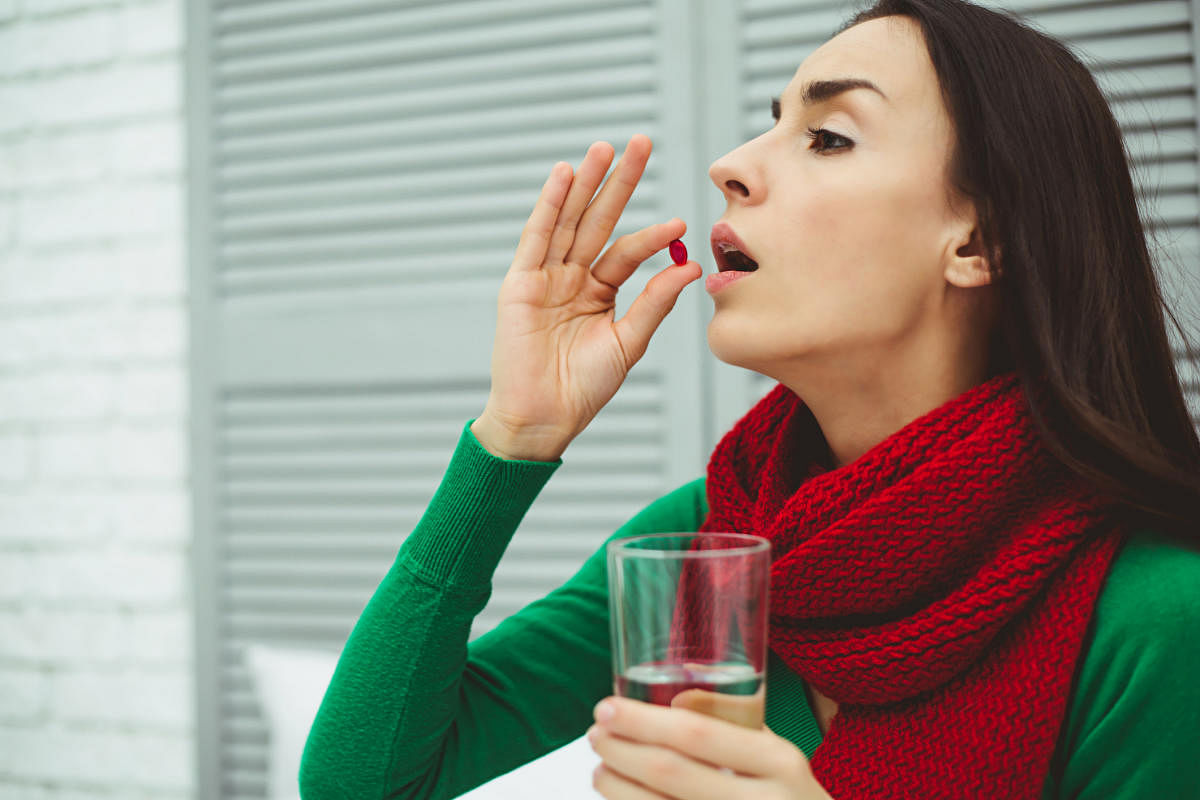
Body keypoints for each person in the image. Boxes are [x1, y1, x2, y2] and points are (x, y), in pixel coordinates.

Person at [298, 1, 1200, 798]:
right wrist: (512, 435)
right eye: (770, 126)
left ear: (981, 241)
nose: (731, 165)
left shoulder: (1156, 617)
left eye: (830, 137)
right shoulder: (715, 543)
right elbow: (364, 782)